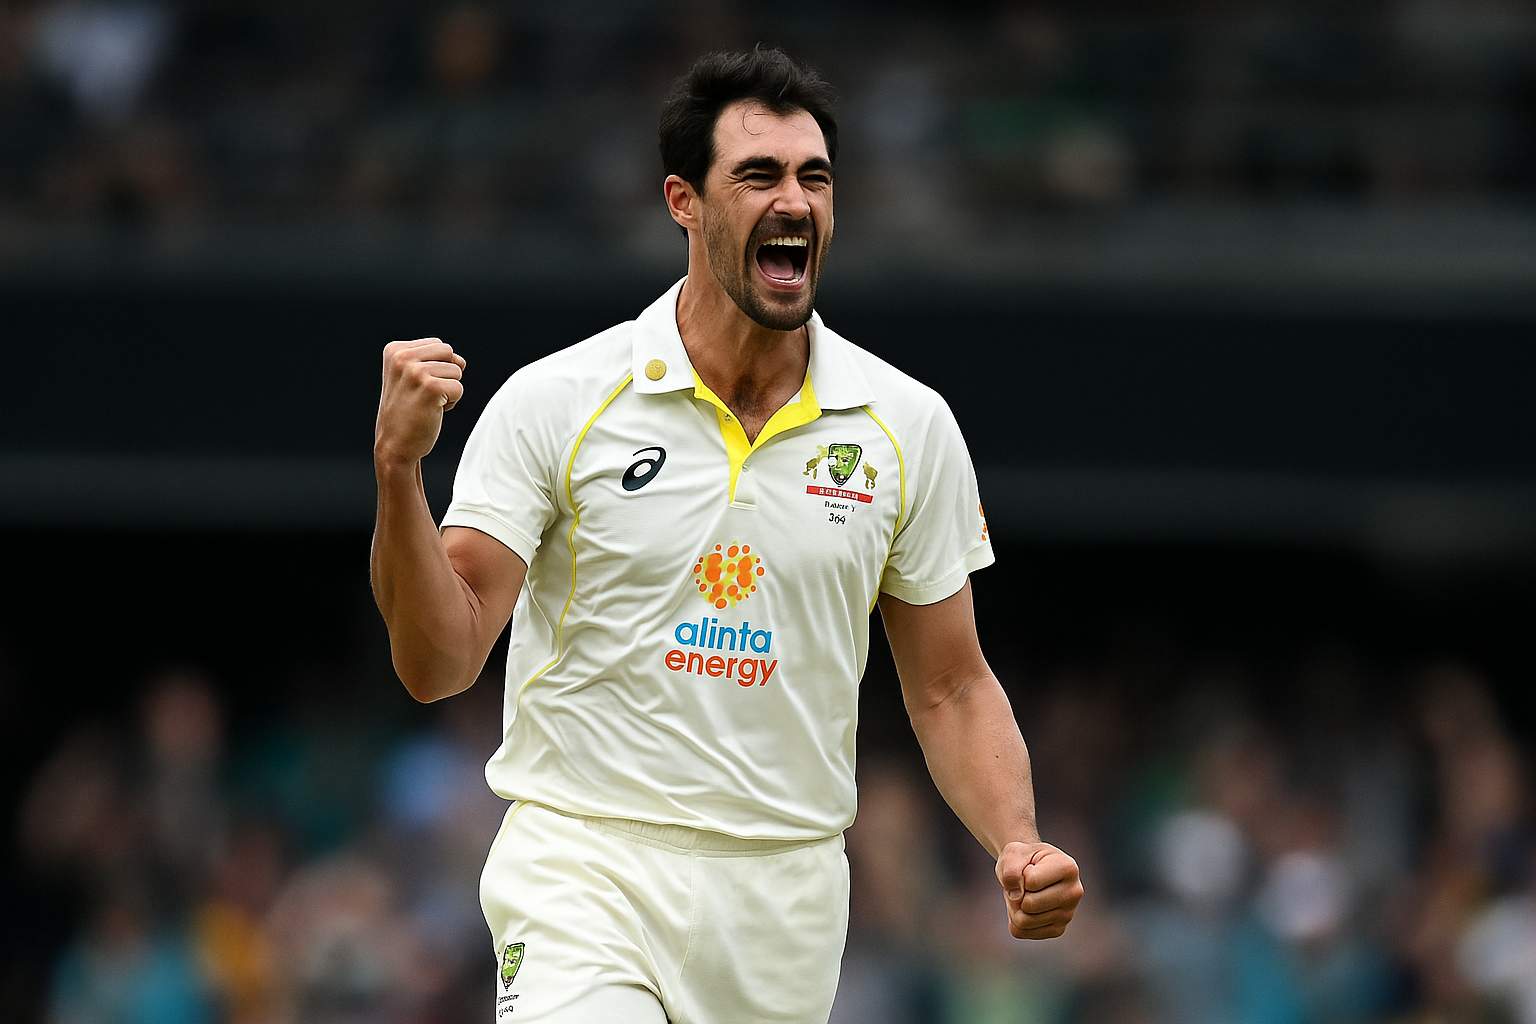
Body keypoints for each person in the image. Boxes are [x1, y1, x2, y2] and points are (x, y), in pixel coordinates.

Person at [370, 46, 1082, 1023]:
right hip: (587, 867)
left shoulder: (906, 426)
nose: (794, 200)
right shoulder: (559, 400)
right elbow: (436, 659)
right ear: (684, 202)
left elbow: (951, 683)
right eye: (758, 175)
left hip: (785, 898)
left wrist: (1017, 837)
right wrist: (399, 471)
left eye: (814, 177)